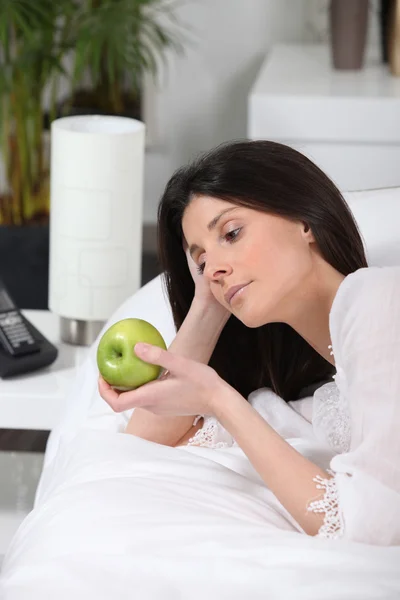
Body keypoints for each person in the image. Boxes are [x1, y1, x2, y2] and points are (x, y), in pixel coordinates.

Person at [98, 140, 400, 546]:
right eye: (201, 262)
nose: (215, 269)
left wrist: (220, 398)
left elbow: (363, 527)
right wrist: (208, 304)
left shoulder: (377, 299)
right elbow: (144, 444)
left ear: (303, 220)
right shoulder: (332, 399)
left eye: (232, 233)